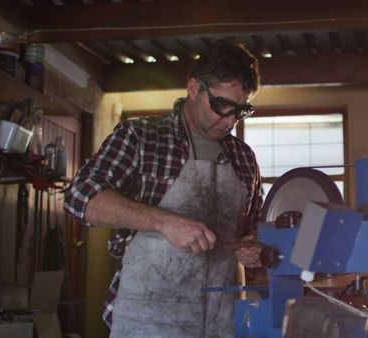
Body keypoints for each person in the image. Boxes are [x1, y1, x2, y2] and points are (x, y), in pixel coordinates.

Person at [64, 39, 263, 337]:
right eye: (223, 106)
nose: (231, 120)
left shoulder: (244, 158)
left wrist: (255, 243)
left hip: (224, 322)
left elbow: (257, 223)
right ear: (194, 88)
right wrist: (163, 221)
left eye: (241, 110)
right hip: (148, 319)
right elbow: (81, 197)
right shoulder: (141, 137)